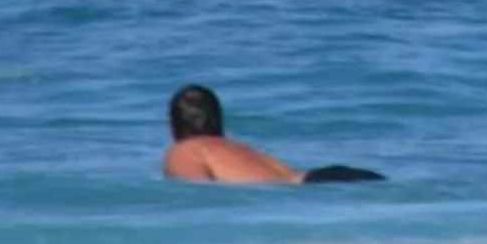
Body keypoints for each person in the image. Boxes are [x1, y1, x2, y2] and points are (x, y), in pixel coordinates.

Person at [161, 84, 384, 185]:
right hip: (322, 178)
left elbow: (194, 195)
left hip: (311, 190)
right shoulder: (235, 147)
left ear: (173, 126)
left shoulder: (184, 151)